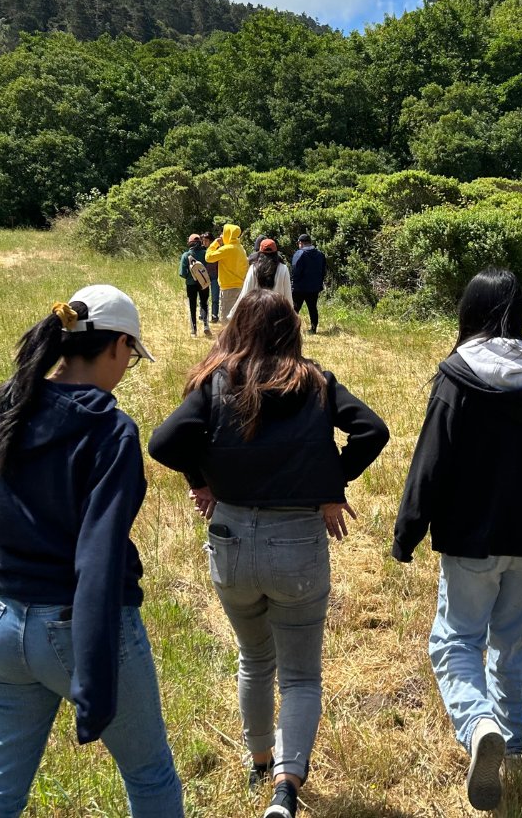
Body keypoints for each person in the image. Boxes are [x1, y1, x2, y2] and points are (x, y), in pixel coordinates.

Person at [148, 291, 389, 818]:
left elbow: (163, 443)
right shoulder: (315, 381)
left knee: (254, 658)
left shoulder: (217, 381)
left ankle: (259, 761)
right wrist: (332, 481)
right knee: (300, 675)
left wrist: (203, 481)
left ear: (238, 329)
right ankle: (285, 788)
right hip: (298, 543)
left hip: (230, 540)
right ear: (291, 330)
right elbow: (373, 431)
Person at [0, 285, 184, 818]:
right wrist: (96, 673)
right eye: (131, 355)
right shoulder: (110, 430)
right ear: (117, 345)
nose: (128, 367)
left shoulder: (6, 410)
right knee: (151, 777)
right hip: (74, 625)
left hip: (0, 625)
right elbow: (99, 557)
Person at [391, 268, 522, 812]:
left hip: (470, 541)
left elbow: (430, 463)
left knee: (454, 641)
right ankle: (516, 741)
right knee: (511, 641)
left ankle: (479, 724)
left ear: (469, 312)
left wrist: (407, 530)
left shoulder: (458, 376)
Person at [205, 223, 249, 323]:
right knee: (238, 320)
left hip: (228, 288)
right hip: (240, 287)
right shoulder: (241, 248)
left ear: (228, 234)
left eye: (224, 233)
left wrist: (215, 243)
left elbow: (208, 257)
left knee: (226, 321)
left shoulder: (227, 249)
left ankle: (228, 339)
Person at [236, 238, 292, 306]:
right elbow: (288, 294)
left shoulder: (254, 268)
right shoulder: (283, 269)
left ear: (260, 253)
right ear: (276, 253)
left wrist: (237, 312)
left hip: (257, 310)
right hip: (278, 310)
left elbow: (246, 291)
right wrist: (290, 311)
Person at [290, 234, 326, 335]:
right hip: (314, 287)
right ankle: (313, 329)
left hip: (300, 287)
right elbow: (323, 271)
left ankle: (292, 329)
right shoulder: (320, 254)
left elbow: (295, 271)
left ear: (301, 243)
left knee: (295, 308)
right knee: (313, 308)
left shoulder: (299, 254)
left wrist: (293, 284)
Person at [179, 233, 211, 337]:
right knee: (204, 304)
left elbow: (182, 273)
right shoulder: (205, 253)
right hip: (204, 283)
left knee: (192, 306)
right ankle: (206, 326)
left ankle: (194, 330)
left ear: (190, 243)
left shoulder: (185, 255)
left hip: (190, 284)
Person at [200, 232, 220, 324]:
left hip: (215, 276)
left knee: (215, 297)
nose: (204, 243)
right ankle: (202, 314)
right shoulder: (201, 251)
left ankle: (214, 315)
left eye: (206, 241)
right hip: (204, 276)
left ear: (211, 241)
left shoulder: (217, 250)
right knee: (203, 297)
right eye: (203, 241)